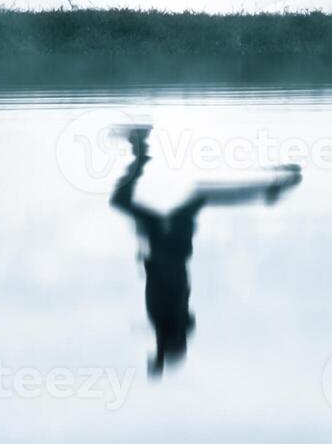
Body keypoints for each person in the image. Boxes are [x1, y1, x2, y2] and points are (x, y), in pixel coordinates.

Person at [109, 126, 302, 376]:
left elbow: (173, 312)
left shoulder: (169, 317)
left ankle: (140, 151)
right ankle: (267, 191)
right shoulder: (168, 318)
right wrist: (161, 357)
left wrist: (161, 356)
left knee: (195, 197)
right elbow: (173, 325)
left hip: (166, 248)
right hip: (168, 248)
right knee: (199, 196)